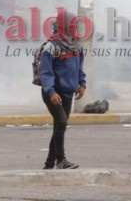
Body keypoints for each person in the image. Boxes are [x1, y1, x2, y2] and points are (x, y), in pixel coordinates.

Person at [40, 10, 87, 170]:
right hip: (53, 93)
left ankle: (49, 163)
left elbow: (79, 68)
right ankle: (61, 161)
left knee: (60, 126)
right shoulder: (50, 47)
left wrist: (82, 84)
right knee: (61, 123)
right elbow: (45, 73)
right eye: (72, 25)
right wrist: (51, 92)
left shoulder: (77, 46)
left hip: (68, 93)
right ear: (64, 26)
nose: (75, 28)